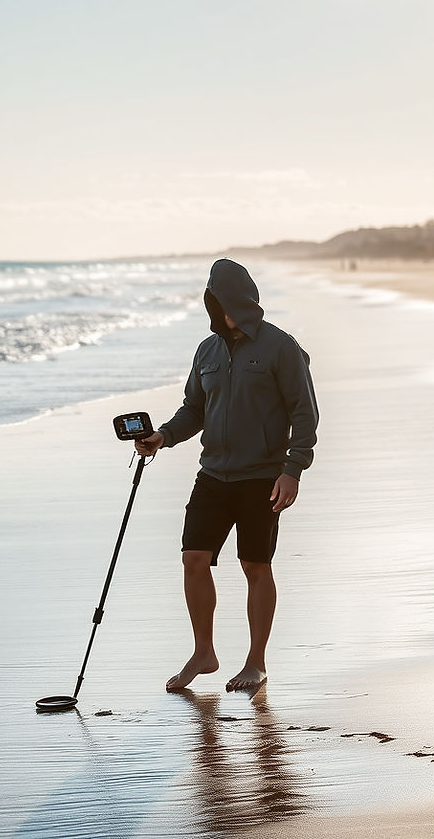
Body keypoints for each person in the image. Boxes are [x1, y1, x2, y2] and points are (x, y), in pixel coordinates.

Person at [135, 259, 318, 693]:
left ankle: (256, 662)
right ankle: (204, 652)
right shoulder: (207, 350)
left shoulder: (280, 346)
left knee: (255, 565)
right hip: (213, 475)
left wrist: (292, 470)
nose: (214, 305)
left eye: (218, 297)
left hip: (262, 477)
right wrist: (163, 436)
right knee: (193, 559)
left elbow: (304, 413)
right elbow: (194, 409)